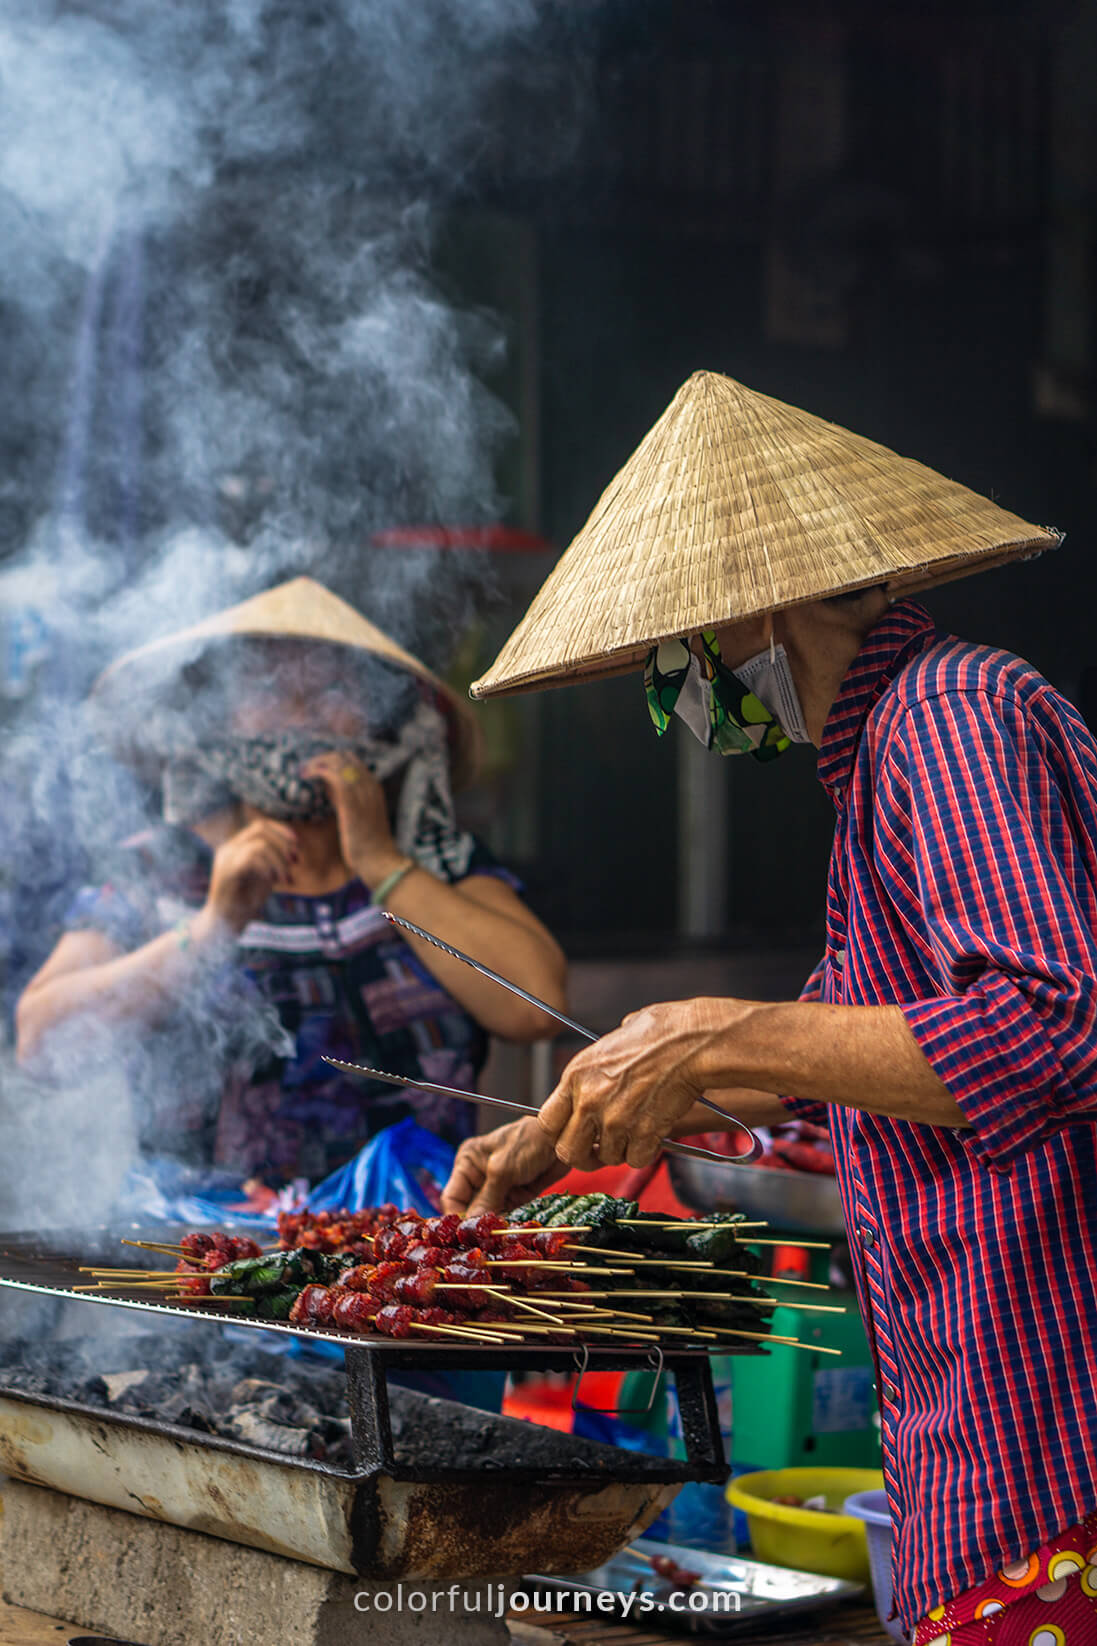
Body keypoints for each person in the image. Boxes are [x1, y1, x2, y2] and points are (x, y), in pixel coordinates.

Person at [442, 372, 1097, 1644]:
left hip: (1049, 1441)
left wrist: (711, 1029)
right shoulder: (881, 761)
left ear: (765, 604)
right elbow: (829, 1049)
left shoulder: (948, 717)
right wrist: (552, 1130)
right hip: (981, 1432)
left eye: (677, 645)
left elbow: (1054, 1022)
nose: (673, 682)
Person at [16, 576, 567, 1190]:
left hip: (412, 1253)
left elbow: (538, 1008)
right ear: (216, 718)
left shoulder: (436, 863)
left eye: (333, 687)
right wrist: (212, 926)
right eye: (269, 688)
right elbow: (41, 1041)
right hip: (210, 1258)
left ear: (380, 722)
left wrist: (383, 866)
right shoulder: (162, 872)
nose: (301, 712)